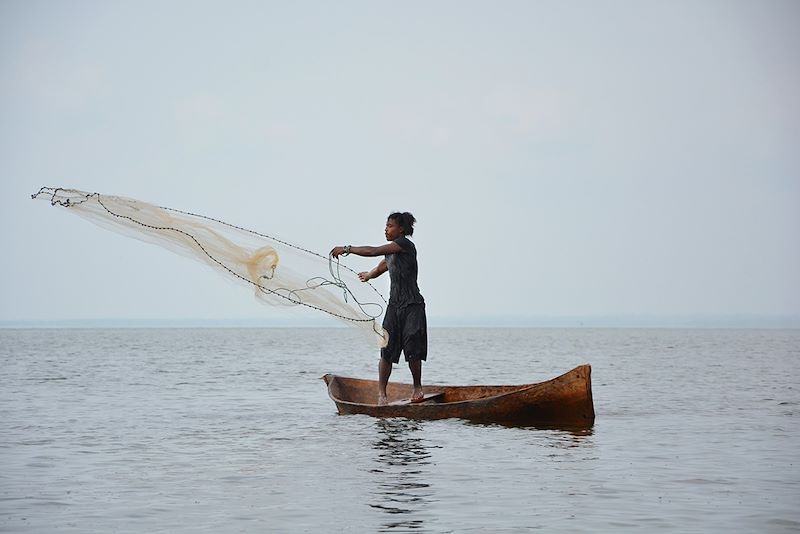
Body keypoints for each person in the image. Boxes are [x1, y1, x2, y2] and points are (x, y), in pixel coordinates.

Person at [331, 212, 427, 404]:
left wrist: (347, 249)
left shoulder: (405, 245)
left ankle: (417, 388)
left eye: (390, 226)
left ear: (401, 230)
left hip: (412, 306)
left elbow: (373, 251)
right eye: (386, 225)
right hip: (394, 306)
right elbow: (381, 266)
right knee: (387, 349)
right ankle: (382, 394)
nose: (386, 229)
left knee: (412, 346)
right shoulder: (391, 253)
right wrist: (369, 275)